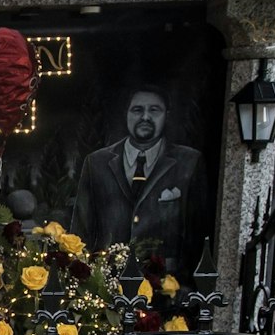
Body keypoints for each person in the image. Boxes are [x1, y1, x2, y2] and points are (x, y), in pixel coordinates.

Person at [70, 85, 205, 267]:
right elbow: (81, 229)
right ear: (126, 114)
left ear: (167, 115)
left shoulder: (189, 162)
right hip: (105, 276)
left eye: (154, 110)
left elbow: (197, 233)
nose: (145, 117)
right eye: (137, 110)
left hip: (165, 279)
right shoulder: (96, 162)